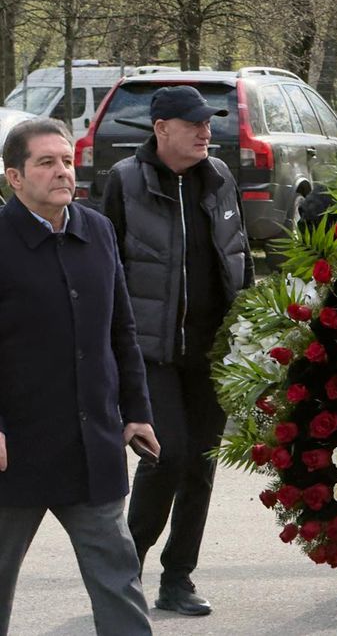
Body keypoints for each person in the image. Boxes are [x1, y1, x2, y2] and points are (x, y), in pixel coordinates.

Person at [0, 118, 159, 635]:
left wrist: (136, 413)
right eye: (46, 162)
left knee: (119, 578)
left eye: (66, 161)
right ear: (14, 178)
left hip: (92, 444)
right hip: (12, 452)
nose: (62, 172)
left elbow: (122, 331)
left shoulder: (99, 231)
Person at [102, 85, 254, 617]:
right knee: (166, 458)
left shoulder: (220, 177)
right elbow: (109, 268)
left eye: (208, 123)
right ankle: (125, 572)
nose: (206, 132)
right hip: (151, 351)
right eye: (194, 124)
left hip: (211, 350)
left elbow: (239, 256)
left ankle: (178, 578)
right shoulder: (125, 181)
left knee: (202, 464)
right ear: (162, 128)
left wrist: (247, 325)